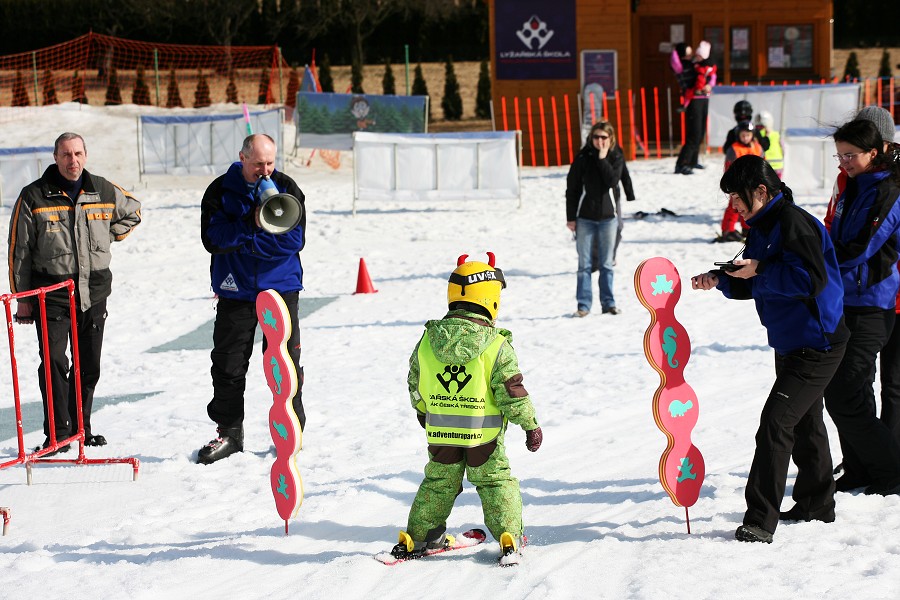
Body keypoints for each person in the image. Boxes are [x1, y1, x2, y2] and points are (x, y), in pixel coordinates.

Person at [691, 154, 849, 544]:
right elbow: (753, 280)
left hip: (818, 343)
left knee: (776, 423)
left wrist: (758, 269)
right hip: (791, 342)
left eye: (737, 197)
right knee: (804, 422)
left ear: (761, 190)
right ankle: (816, 504)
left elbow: (809, 280)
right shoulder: (761, 227)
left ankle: (760, 520)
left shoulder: (794, 223)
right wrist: (721, 278)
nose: (734, 205)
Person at [391, 254, 542, 564]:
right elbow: (512, 391)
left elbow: (415, 382)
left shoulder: (427, 339)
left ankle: (419, 538)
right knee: (495, 482)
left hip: (442, 432)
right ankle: (509, 537)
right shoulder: (496, 344)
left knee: (438, 483)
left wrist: (424, 411)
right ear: (491, 299)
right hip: (482, 437)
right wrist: (530, 425)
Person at [8, 132, 142, 455]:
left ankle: (82, 429)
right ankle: (57, 434)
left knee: (89, 363)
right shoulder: (33, 196)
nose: (73, 161)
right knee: (54, 362)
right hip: (51, 295)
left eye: (78, 153)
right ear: (55, 157)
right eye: (66, 154)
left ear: (86, 155)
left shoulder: (102, 189)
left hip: (93, 292)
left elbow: (133, 212)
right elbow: (19, 252)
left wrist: (105, 237)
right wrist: (23, 299)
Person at [197, 133, 307, 465]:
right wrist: (251, 224)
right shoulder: (219, 191)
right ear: (242, 157)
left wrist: (246, 243)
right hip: (236, 290)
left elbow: (292, 241)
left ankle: (292, 431)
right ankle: (229, 432)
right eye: (258, 163)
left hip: (280, 288)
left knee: (285, 363)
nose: (265, 170)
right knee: (229, 364)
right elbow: (213, 238)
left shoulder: (286, 186)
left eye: (271, 162)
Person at [824, 118, 900, 496]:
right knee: (851, 391)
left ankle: (892, 469)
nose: (844, 162)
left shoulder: (888, 191)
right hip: (845, 302)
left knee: (844, 392)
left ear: (875, 152)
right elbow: (833, 232)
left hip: (873, 306)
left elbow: (858, 249)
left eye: (850, 155)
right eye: (839, 155)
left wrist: (811, 259)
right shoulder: (852, 185)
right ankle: (859, 468)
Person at [566, 121, 624, 317]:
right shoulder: (583, 157)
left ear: (610, 139)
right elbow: (572, 188)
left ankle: (608, 304)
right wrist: (571, 217)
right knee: (584, 265)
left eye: (603, 138)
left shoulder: (616, 156)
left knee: (607, 264)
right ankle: (583, 305)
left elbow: (612, 181)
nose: (599, 141)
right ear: (591, 138)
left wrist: (602, 158)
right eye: (596, 137)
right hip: (585, 219)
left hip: (608, 218)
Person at [674, 41, 716, 175]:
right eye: (690, 52)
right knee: (694, 134)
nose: (693, 55)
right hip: (694, 101)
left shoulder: (703, 65)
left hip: (704, 99)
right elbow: (673, 59)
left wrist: (710, 85)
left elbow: (712, 75)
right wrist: (679, 49)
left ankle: (693, 161)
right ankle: (682, 164)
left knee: (700, 132)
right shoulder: (684, 66)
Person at [719, 122, 765, 241]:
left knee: (750, 207)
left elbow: (762, 165)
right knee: (734, 207)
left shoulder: (757, 147)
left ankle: (747, 228)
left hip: (752, 184)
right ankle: (728, 230)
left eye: (748, 135)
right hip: (738, 184)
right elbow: (728, 167)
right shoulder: (734, 149)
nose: (745, 138)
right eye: (743, 135)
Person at [755, 111, 783, 177]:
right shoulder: (776, 134)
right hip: (778, 166)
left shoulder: (756, 134)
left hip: (764, 166)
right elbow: (783, 149)